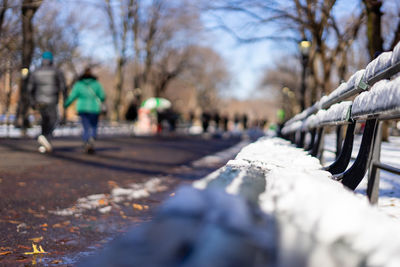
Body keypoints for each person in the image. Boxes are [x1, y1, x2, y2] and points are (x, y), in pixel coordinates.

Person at [27, 51, 67, 153]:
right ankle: (45, 137)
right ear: (51, 60)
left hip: (39, 101)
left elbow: (29, 88)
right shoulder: (57, 71)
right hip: (52, 100)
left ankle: (44, 143)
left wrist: (32, 102)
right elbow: (63, 86)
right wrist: (65, 98)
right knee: (54, 120)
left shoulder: (35, 71)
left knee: (44, 120)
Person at [64, 67, 106, 154]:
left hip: (82, 108)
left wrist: (66, 104)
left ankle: (86, 141)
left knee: (85, 126)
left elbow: (72, 96)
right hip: (94, 108)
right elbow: (102, 96)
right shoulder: (96, 84)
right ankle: (92, 138)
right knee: (94, 125)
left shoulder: (79, 84)